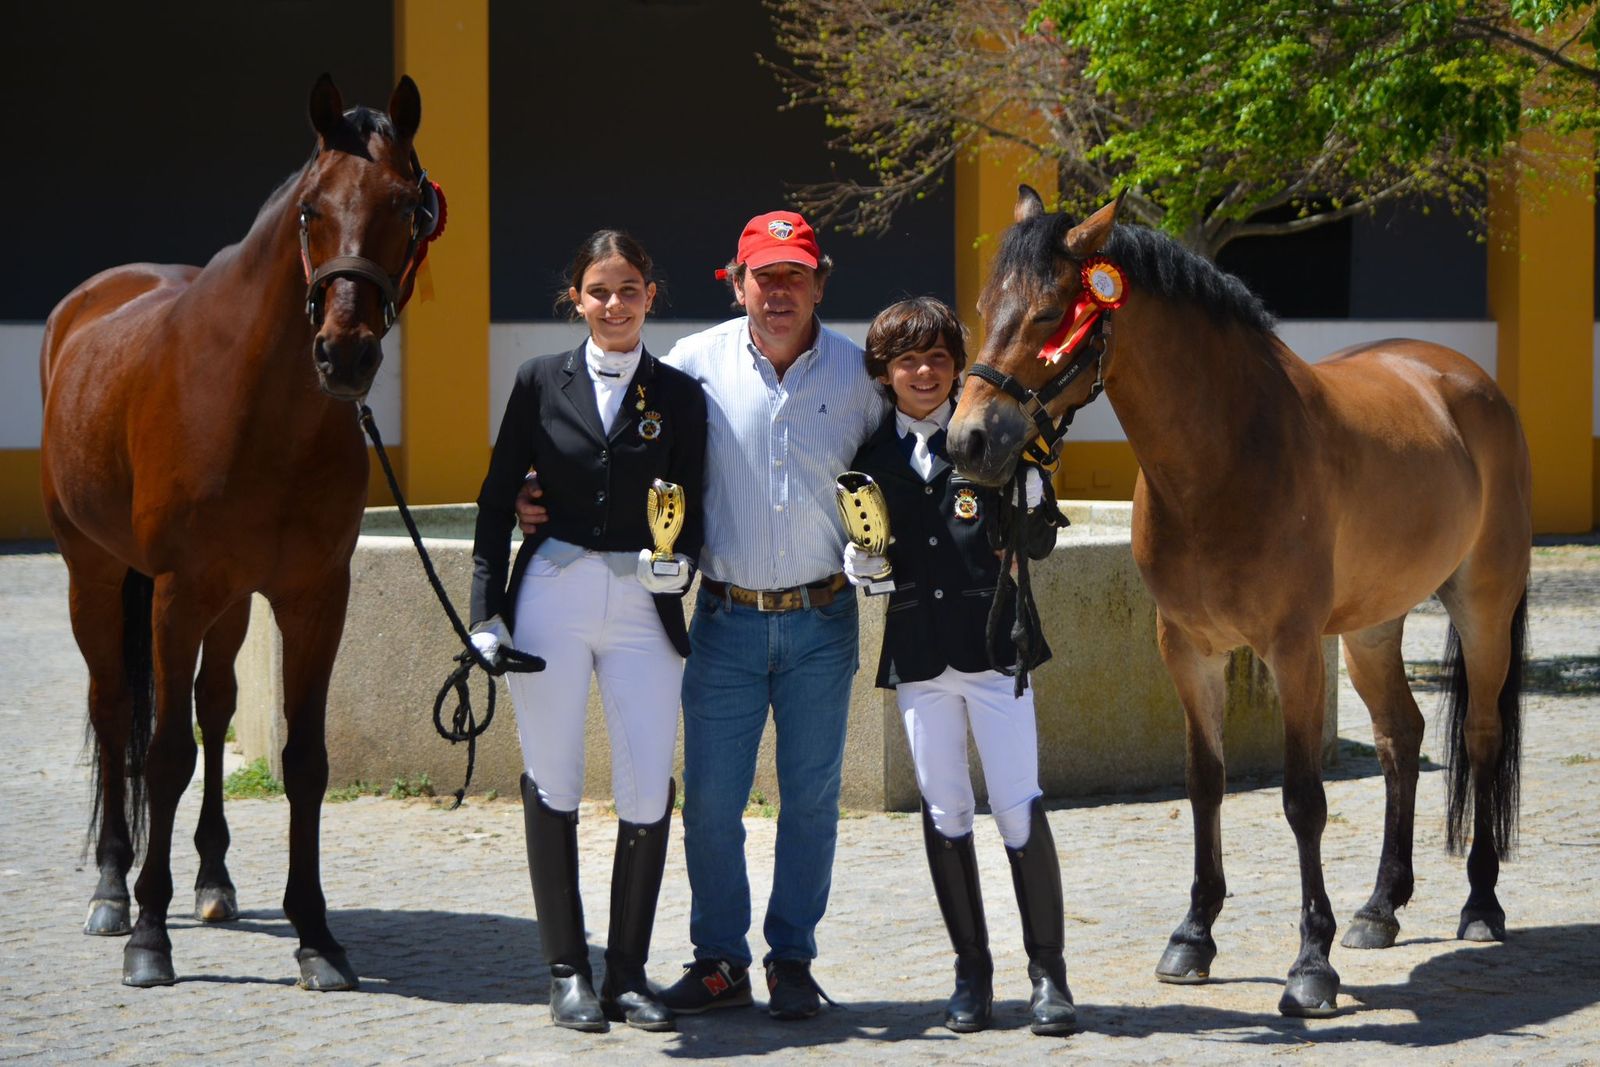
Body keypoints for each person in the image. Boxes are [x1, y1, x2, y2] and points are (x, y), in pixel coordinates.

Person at [517, 209, 885, 1020]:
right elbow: (613, 444)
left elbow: (903, 470)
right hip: (724, 617)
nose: (780, 291)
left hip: (824, 622)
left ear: (820, 282)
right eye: (765, 275)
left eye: (796, 275)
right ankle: (720, 959)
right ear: (737, 281)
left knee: (811, 801)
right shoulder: (691, 365)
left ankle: (791, 958)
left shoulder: (862, 378)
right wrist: (532, 490)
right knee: (713, 805)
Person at [470, 230, 707, 1034]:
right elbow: (498, 498)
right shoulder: (540, 381)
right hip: (553, 593)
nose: (615, 304)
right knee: (555, 776)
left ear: (651, 295)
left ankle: (629, 973)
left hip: (645, 604)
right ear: (576, 297)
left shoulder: (677, 395)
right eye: (599, 290)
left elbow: (696, 509)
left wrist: (687, 561)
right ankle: (568, 970)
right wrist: (483, 611)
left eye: (630, 289)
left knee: (647, 785)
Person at [842, 297, 1074, 1035]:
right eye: (907, 360)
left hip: (993, 646)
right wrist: (863, 566)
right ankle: (971, 971)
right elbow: (871, 546)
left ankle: (1049, 974)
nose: (924, 371)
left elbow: (1036, 543)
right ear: (883, 372)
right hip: (919, 654)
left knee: (1016, 803)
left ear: (956, 366)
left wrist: (1036, 501)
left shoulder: (989, 441)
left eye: (938, 358)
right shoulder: (870, 460)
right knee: (945, 810)